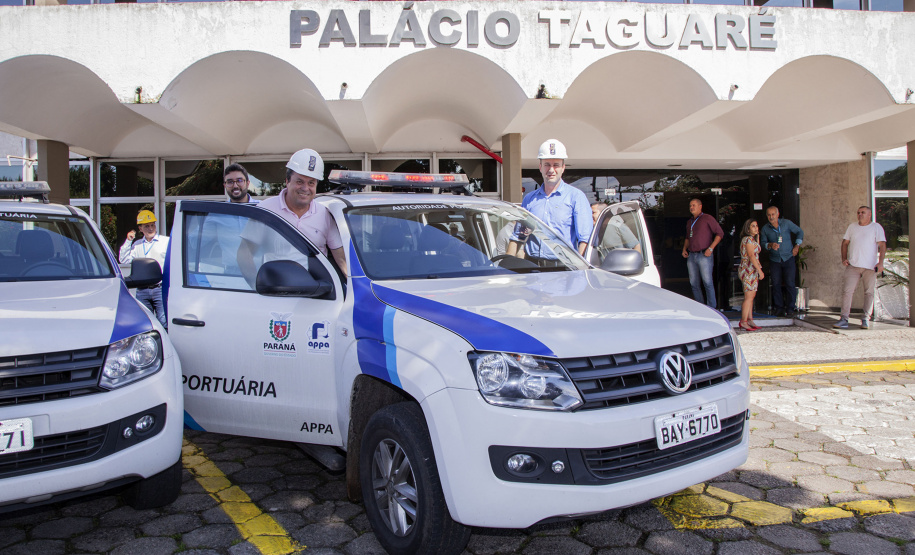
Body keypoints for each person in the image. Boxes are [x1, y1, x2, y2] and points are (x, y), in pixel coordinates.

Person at [238, 149, 347, 281]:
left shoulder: (324, 214)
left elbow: (341, 259)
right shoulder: (266, 210)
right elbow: (244, 254)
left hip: (318, 294)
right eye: (300, 181)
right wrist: (256, 286)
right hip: (277, 292)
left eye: (311, 183)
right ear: (287, 181)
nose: (305, 188)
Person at [506, 139, 593, 265]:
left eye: (556, 165)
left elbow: (585, 240)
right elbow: (518, 236)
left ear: (563, 168)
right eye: (547, 164)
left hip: (564, 268)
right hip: (533, 267)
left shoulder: (576, 197)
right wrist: (506, 266)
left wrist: (579, 268)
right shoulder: (529, 199)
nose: (551, 170)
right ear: (540, 167)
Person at [834, 205, 886, 329]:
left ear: (869, 215)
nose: (860, 214)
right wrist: (844, 258)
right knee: (847, 292)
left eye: (863, 212)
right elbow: (845, 243)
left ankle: (865, 319)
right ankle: (844, 318)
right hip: (853, 265)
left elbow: (882, 245)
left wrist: (881, 262)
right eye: (858, 212)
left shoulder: (876, 227)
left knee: (869, 293)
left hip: (870, 266)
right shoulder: (852, 227)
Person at [200, 163, 258, 272]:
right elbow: (196, 242)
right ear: (225, 185)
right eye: (230, 182)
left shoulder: (262, 208)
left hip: (262, 272)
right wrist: (197, 216)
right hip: (231, 274)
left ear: (248, 183)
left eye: (239, 180)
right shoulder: (218, 212)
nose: (235, 185)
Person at [119, 209, 169, 326]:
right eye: (146, 226)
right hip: (142, 290)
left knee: (163, 322)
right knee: (146, 322)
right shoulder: (137, 245)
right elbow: (123, 259)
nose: (150, 229)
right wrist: (128, 241)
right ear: (140, 228)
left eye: (152, 225)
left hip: (160, 288)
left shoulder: (165, 242)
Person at [760, 206, 804, 317]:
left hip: (788, 258)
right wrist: (770, 245)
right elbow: (762, 243)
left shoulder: (786, 223)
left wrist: (797, 246)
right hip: (775, 260)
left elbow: (799, 232)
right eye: (769, 215)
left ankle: (790, 308)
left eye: (773, 214)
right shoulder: (765, 229)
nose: (771, 217)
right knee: (776, 284)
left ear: (777, 214)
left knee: (790, 283)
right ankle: (778, 308)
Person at [681, 198, 724, 308]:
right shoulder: (689, 222)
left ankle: (712, 308)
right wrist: (684, 249)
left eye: (694, 205)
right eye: (690, 205)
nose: (691, 207)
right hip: (691, 255)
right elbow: (687, 238)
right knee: (694, 283)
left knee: (707, 282)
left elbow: (720, 233)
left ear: (700, 206)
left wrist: (711, 248)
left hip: (704, 255)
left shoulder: (707, 218)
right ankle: (701, 307)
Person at [737, 219, 765, 331]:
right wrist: (760, 271)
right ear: (748, 229)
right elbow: (751, 256)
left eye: (756, 226)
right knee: (748, 297)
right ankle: (743, 321)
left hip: (752, 271)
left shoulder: (751, 239)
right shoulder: (747, 239)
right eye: (753, 226)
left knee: (751, 296)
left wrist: (757, 237)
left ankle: (749, 319)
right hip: (748, 270)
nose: (756, 228)